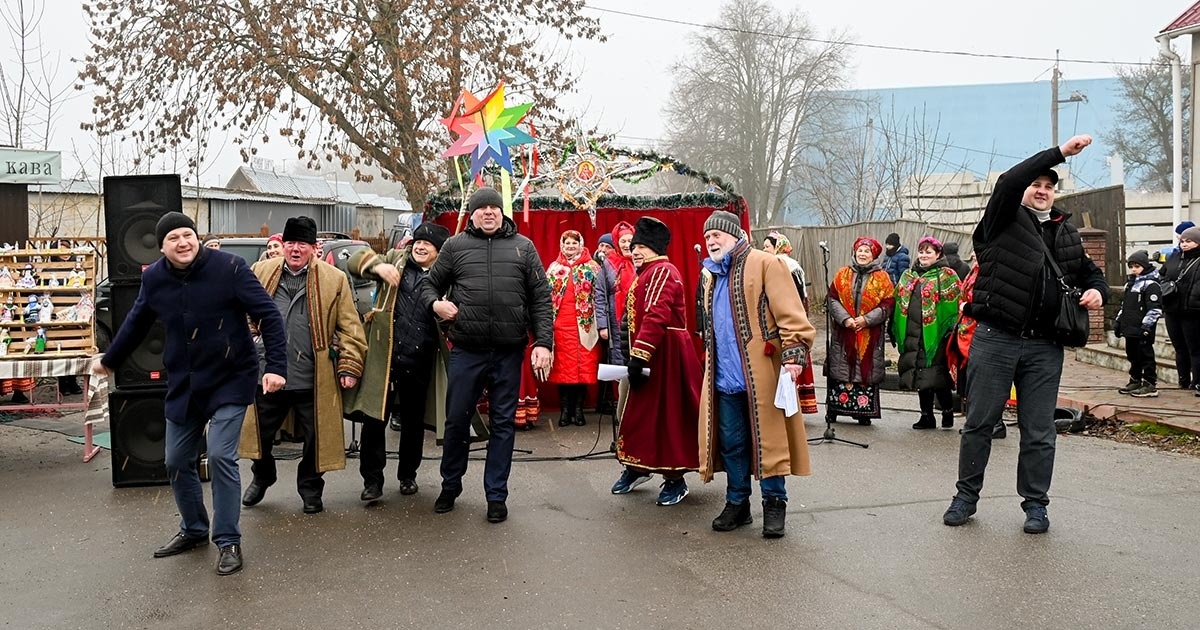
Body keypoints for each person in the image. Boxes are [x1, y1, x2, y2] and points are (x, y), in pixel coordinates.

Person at [92, 211, 287, 576]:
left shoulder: (229, 268)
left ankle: (228, 540)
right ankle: (194, 529)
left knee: (219, 456)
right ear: (161, 246)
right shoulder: (155, 279)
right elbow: (136, 323)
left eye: (188, 235)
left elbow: (269, 317)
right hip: (185, 382)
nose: (182, 243)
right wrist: (111, 359)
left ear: (197, 237)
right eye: (173, 238)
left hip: (231, 377)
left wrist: (276, 368)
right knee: (175, 460)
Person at [943, 135, 1108, 534]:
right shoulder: (1001, 219)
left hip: (1044, 346)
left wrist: (1096, 291)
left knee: (1039, 430)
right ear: (1025, 190)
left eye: (1050, 186)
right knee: (980, 423)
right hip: (997, 338)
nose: (1042, 191)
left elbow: (1090, 273)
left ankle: (1036, 505)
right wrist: (1060, 154)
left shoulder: (1065, 231)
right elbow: (1007, 182)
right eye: (1036, 184)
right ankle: (966, 497)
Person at [421, 187, 554, 523]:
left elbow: (541, 297)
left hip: (509, 352)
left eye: (495, 207)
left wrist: (543, 343)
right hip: (467, 351)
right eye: (483, 209)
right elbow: (428, 286)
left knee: (503, 425)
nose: (489, 213)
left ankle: (496, 496)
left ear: (502, 213)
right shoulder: (454, 246)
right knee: (456, 422)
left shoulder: (524, 248)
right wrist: (436, 304)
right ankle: (450, 485)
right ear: (474, 215)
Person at [698, 211, 816, 538]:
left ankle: (775, 504)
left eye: (717, 235)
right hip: (723, 376)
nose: (711, 242)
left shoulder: (767, 263)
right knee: (732, 443)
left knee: (770, 441)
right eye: (707, 237)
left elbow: (792, 315)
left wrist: (793, 356)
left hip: (762, 373)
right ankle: (738, 504)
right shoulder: (711, 275)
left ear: (734, 236)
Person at [239, 216, 367, 515]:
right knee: (257, 433)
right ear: (283, 245)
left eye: (303, 244)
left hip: (314, 375)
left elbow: (350, 327)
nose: (295, 250)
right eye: (290, 243)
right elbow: (241, 312)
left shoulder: (334, 279)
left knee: (316, 438)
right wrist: (252, 341)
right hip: (267, 373)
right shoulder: (261, 271)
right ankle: (263, 474)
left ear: (314, 248)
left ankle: (310, 487)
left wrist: (348, 365)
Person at [344, 222, 452, 500]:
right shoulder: (394, 258)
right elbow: (355, 262)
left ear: (438, 251)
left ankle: (407, 476)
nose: (420, 246)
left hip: (420, 358)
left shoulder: (444, 276)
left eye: (428, 244)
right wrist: (377, 267)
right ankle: (372, 481)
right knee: (374, 420)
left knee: (413, 424)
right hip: (385, 357)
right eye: (418, 241)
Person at [610, 217, 701, 507]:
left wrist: (639, 355)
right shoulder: (646, 272)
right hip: (649, 355)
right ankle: (637, 467)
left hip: (667, 358)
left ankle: (675, 479)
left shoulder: (664, 271)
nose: (636, 251)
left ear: (656, 249)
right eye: (634, 246)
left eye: (643, 247)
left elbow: (657, 314)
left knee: (669, 418)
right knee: (642, 414)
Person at [894, 237, 962, 430]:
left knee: (937, 376)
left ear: (938, 254)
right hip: (913, 334)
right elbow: (898, 299)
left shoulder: (947, 275)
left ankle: (947, 411)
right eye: (921, 251)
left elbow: (954, 303)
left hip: (937, 335)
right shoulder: (909, 275)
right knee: (920, 376)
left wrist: (949, 329)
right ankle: (926, 416)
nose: (924, 255)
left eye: (928, 252)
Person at [826, 237, 895, 426]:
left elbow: (888, 304)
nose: (863, 254)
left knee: (864, 370)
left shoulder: (882, 278)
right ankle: (835, 410)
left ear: (874, 255)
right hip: (844, 331)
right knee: (841, 368)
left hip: (869, 334)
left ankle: (863, 412)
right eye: (860, 250)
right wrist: (846, 319)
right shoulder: (842, 274)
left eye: (867, 251)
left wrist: (866, 320)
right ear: (854, 252)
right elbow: (832, 299)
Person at [546, 230, 608, 427]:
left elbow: (600, 297)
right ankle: (565, 411)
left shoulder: (593, 268)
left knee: (583, 368)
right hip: (561, 327)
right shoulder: (553, 268)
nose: (571, 246)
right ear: (562, 245)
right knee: (563, 369)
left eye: (574, 243)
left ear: (581, 244)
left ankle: (579, 410)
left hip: (585, 326)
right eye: (567, 243)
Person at [601, 221, 638, 422]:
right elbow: (599, 295)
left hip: (638, 320)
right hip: (616, 322)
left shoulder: (641, 260)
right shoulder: (608, 263)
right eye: (622, 241)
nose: (626, 244)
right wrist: (602, 325)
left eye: (629, 240)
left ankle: (636, 406)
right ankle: (621, 407)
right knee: (619, 363)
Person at [1115, 250, 1163, 398]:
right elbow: (1124, 306)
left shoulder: (1151, 285)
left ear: (1145, 266)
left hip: (1143, 328)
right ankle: (1135, 379)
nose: (1134, 269)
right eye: (1131, 266)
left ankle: (1149, 383)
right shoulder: (1130, 284)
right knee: (1133, 355)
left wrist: (1146, 326)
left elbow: (1154, 309)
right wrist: (1119, 321)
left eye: (1137, 266)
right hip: (1130, 327)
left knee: (1146, 356)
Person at [1161, 225, 1200, 395]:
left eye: (1189, 241)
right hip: (1172, 308)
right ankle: (1183, 379)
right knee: (1179, 347)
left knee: (1195, 348)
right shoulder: (1174, 257)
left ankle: (1197, 382)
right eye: (1183, 241)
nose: (1184, 244)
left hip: (1193, 311)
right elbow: (1162, 275)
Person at [54, 239, 83, 395]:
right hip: (58, 314)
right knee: (61, 349)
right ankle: (62, 384)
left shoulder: (77, 268)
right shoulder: (49, 269)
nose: (65, 253)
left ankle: (73, 382)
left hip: (74, 313)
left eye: (67, 249)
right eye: (61, 249)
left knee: (74, 348)